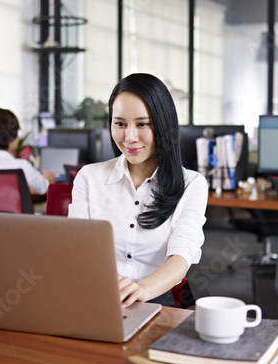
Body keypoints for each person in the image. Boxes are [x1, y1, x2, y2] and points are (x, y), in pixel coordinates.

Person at [68, 73, 208, 307]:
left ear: (163, 126)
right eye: (120, 123)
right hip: (94, 294)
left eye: (142, 124)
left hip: (152, 297)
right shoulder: (89, 177)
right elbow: (77, 248)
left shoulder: (192, 184)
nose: (129, 137)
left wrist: (139, 290)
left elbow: (181, 257)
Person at [0, 108, 55, 195]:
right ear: (12, 139)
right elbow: (44, 188)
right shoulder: (22, 167)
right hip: (15, 210)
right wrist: (48, 179)